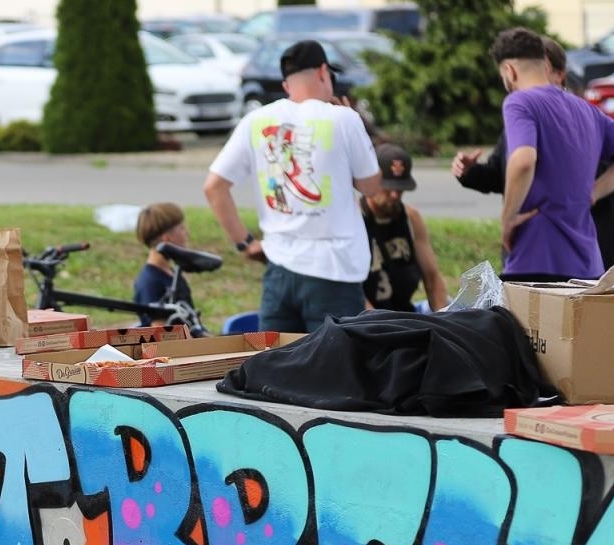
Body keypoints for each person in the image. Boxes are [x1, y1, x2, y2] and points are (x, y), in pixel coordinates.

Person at [204, 39, 381, 332]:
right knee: (336, 370)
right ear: (324, 73)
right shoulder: (344, 119)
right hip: (334, 270)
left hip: (279, 272)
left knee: (277, 369)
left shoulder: (256, 120)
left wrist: (245, 243)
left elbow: (214, 187)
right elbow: (371, 186)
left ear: (287, 86)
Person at [490, 28, 614, 282]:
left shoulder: (519, 102)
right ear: (545, 64)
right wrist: (594, 192)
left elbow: (523, 161)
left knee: (527, 324)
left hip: (535, 256)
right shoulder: (585, 109)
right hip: (587, 262)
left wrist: (508, 219)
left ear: (509, 71)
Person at [452, 37, 614, 270]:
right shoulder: (528, 117)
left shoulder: (575, 113)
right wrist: (470, 172)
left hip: (576, 249)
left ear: (557, 73)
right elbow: (502, 173)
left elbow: (524, 162)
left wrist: (592, 191)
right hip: (547, 250)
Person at [361, 144, 447, 312]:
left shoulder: (411, 217)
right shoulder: (355, 219)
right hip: (367, 319)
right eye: (388, 187)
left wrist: (443, 319)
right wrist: (377, 326)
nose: (395, 195)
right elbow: (351, 291)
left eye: (400, 189)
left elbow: (432, 277)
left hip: (405, 314)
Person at [132, 202, 203, 334]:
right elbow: (161, 334)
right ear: (167, 238)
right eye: (182, 228)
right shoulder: (150, 282)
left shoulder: (172, 274)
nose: (187, 233)